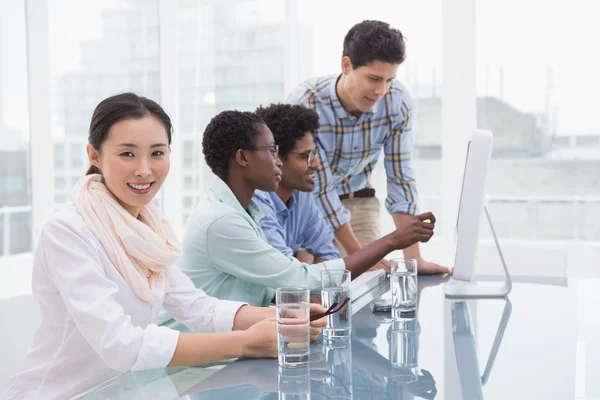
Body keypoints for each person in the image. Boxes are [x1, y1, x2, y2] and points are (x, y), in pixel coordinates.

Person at [0, 93, 324, 400]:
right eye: (127, 153)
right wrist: (247, 344)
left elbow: (197, 307)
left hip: (126, 390)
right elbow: (121, 345)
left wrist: (285, 316)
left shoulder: (148, 226)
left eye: (157, 153)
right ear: (94, 156)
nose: (144, 169)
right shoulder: (68, 231)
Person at [167, 110, 436, 308]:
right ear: (243, 157)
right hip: (203, 364)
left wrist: (304, 267)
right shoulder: (222, 221)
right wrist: (392, 240)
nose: (278, 163)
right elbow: (297, 280)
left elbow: (294, 279)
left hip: (233, 342)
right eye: (272, 151)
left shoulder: (247, 210)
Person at [287, 20, 451, 275]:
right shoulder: (306, 103)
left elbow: (401, 178)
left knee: (374, 284)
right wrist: (360, 255)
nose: (380, 91)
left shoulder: (397, 101)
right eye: (373, 78)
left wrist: (414, 258)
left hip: (360, 203)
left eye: (389, 80)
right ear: (346, 65)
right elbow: (320, 190)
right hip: (309, 210)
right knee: (321, 289)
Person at [252, 103, 340, 264]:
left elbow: (331, 258)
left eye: (314, 154)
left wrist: (300, 262)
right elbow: (284, 271)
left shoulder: (301, 196)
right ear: (275, 158)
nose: (316, 164)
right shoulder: (256, 198)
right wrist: (302, 261)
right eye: (305, 156)